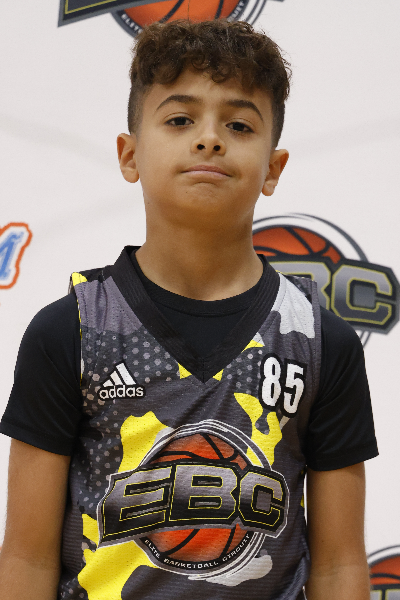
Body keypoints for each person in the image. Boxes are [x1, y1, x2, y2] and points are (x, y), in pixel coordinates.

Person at [0, 19, 377, 600]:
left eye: (239, 124)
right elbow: (27, 559)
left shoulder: (322, 342)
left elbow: (339, 566)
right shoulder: (69, 330)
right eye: (180, 120)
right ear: (129, 155)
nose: (209, 139)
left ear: (273, 168)